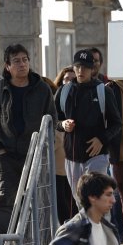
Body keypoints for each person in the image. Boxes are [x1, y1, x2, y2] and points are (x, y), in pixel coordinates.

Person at [0, 44, 56, 233]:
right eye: (16, 61)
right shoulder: (0, 88)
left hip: (35, 153)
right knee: (6, 198)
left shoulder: (42, 89)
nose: (22, 64)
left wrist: (44, 148)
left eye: (25, 60)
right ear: (7, 66)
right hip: (6, 154)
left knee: (38, 200)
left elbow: (51, 122)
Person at [56, 50, 122, 203]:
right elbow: (54, 119)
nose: (80, 71)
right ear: (73, 67)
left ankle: (102, 227)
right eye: (78, 67)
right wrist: (63, 125)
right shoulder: (64, 91)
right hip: (71, 157)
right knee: (80, 202)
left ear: (92, 69)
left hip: (97, 156)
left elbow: (117, 123)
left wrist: (101, 139)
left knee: (97, 200)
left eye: (85, 67)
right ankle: (88, 227)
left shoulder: (103, 91)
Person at [52, 67, 77, 222]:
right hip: (59, 163)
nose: (70, 82)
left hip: (77, 157)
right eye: (66, 78)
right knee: (61, 200)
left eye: (73, 79)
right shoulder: (57, 98)